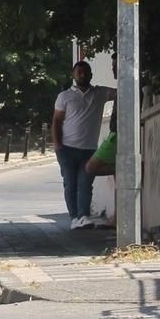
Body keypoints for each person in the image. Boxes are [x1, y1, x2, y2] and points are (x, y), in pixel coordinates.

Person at [53, 60, 115, 230]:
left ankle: (84, 216)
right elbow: (57, 122)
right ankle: (74, 218)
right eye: (78, 72)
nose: (82, 75)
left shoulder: (100, 93)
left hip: (89, 149)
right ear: (73, 75)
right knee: (70, 183)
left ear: (91, 75)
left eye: (85, 72)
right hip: (67, 148)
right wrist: (58, 145)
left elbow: (122, 92)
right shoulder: (64, 96)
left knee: (85, 183)